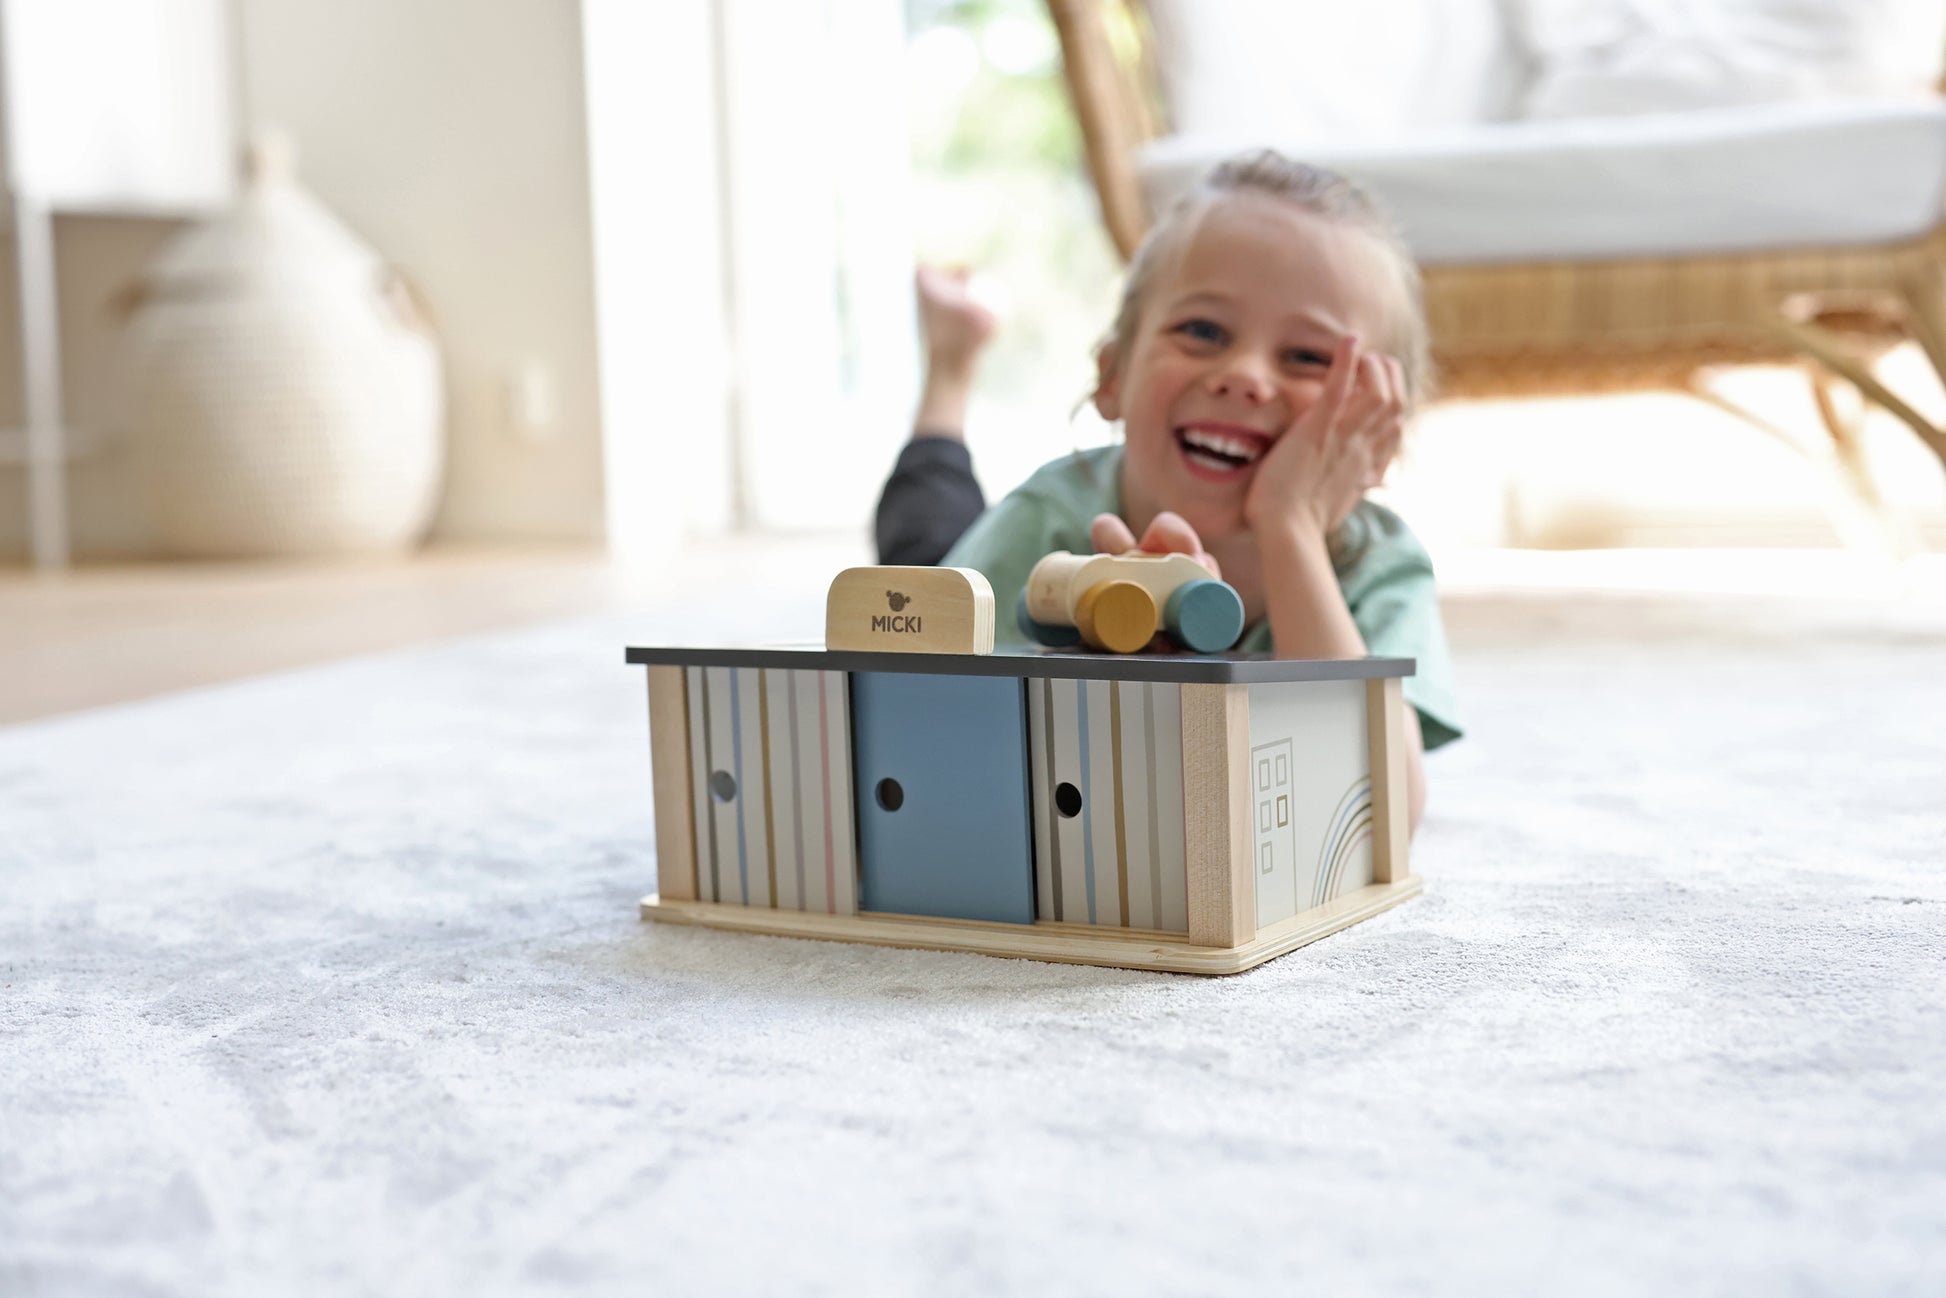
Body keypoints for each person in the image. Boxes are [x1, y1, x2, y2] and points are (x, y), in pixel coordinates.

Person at [873, 150, 1460, 831]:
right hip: (951, 561)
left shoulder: (1377, 564)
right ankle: (951, 367)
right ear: (1113, 376)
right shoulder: (1048, 518)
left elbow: (1382, 817)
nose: (1244, 376)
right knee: (921, 533)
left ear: (1376, 437)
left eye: (1308, 357)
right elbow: (913, 721)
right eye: (1203, 331)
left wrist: (1291, 525)